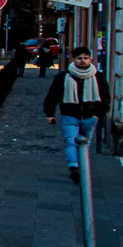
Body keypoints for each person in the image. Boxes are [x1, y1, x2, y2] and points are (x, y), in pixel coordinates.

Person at [43, 46, 110, 183]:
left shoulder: (97, 77)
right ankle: (74, 168)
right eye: (79, 58)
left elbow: (105, 98)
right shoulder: (64, 76)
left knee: (85, 144)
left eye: (86, 58)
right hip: (69, 115)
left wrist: (98, 114)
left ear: (90, 59)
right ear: (74, 59)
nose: (83, 61)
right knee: (70, 142)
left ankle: (82, 168)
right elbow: (53, 96)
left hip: (90, 116)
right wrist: (50, 113)